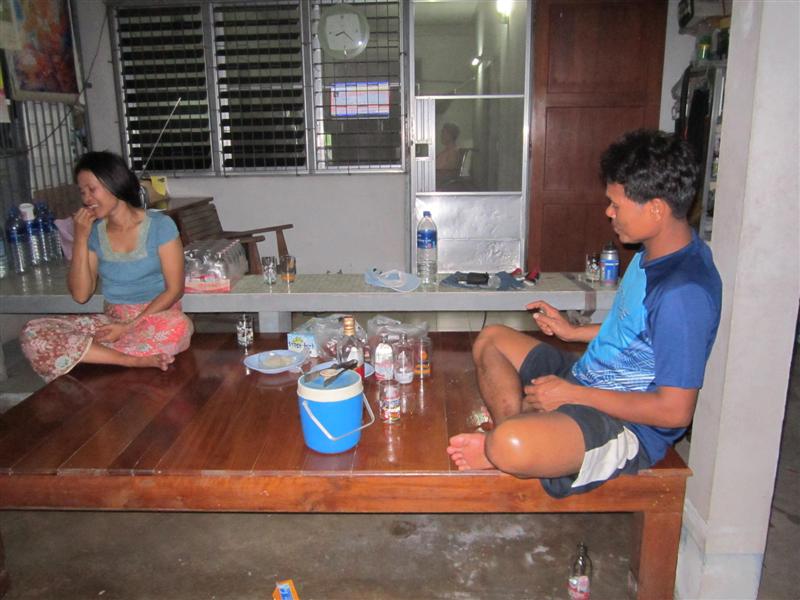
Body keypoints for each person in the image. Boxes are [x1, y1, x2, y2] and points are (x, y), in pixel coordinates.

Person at [447, 129, 722, 498]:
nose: (609, 212)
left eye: (616, 205)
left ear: (656, 208)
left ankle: (513, 444)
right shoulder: (654, 252)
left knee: (510, 445)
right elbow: (635, 329)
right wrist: (572, 332)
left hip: (625, 422)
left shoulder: (683, 294)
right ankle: (524, 435)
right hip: (587, 376)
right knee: (492, 338)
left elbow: (675, 412)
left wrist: (572, 396)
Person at [21, 151, 193, 382]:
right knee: (33, 332)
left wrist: (129, 327)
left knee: (179, 325)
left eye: (92, 189)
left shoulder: (160, 226)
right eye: (82, 192)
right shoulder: (93, 233)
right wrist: (80, 238)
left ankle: (94, 354)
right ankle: (130, 359)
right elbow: (81, 295)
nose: (87, 198)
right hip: (112, 322)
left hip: (155, 319)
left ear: (115, 184)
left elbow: (175, 290)